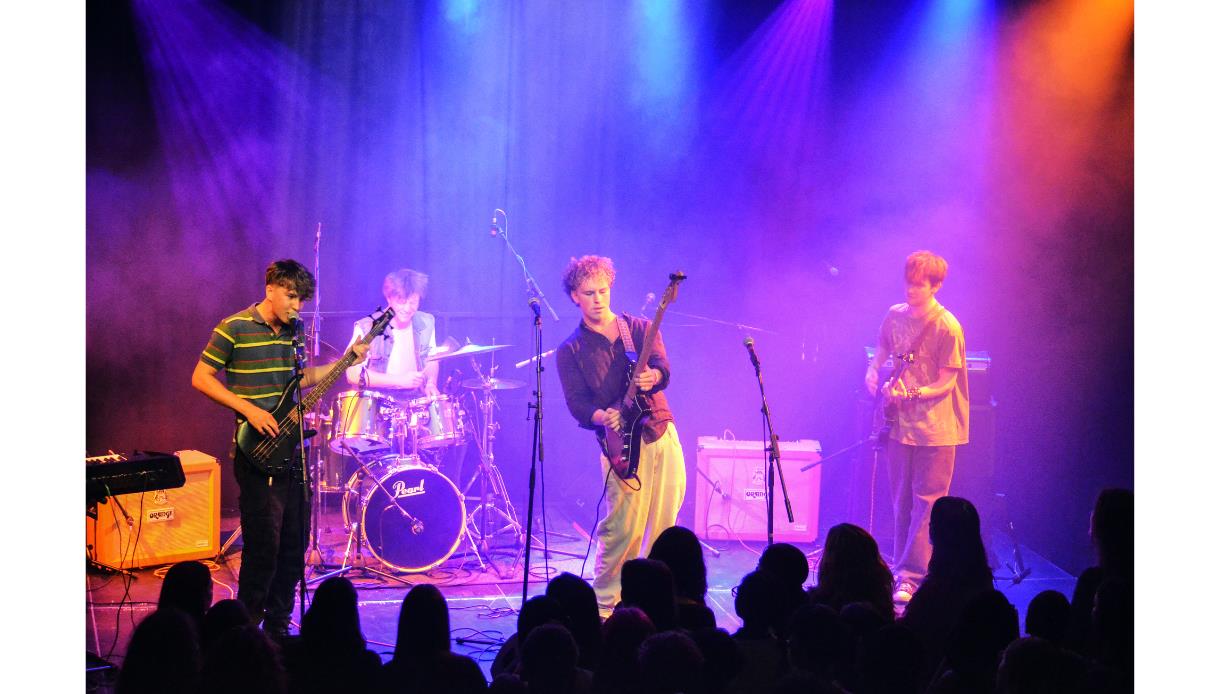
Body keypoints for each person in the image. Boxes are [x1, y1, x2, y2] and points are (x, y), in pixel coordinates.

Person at [192, 259, 368, 638]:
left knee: (293, 547)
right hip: (255, 452)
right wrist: (247, 408)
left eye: (301, 300)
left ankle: (277, 632)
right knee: (263, 548)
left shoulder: (295, 331)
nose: (296, 306)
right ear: (270, 288)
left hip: (291, 452)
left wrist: (345, 361)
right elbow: (200, 377)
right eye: (291, 296)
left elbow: (300, 379)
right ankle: (244, 634)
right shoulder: (233, 327)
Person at [556, 255, 687, 615]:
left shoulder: (640, 328)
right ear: (574, 297)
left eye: (603, 290)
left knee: (665, 525)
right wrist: (602, 415)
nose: (598, 298)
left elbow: (663, 368)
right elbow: (577, 403)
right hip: (619, 446)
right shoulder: (571, 350)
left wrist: (653, 378)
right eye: (589, 293)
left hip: (659, 431)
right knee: (623, 529)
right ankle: (605, 607)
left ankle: (658, 603)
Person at [864, 250, 969, 604]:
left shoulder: (947, 326)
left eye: (919, 285)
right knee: (901, 500)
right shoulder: (895, 316)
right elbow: (884, 346)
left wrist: (912, 392)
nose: (911, 290)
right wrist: (873, 369)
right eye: (908, 283)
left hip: (936, 430)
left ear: (936, 286)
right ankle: (899, 569)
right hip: (899, 426)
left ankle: (912, 576)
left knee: (927, 504)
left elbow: (946, 381)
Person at [345, 268, 440, 398]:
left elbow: (432, 360)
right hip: (378, 402)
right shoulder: (368, 327)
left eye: (413, 302)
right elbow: (352, 373)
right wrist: (399, 381)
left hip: (415, 403)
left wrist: (431, 383)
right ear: (389, 298)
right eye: (401, 302)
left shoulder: (426, 322)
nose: (407, 308)